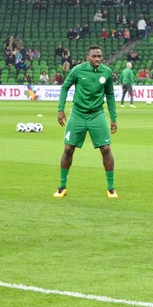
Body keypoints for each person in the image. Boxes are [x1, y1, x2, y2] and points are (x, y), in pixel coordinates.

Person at [55, 45, 118, 198]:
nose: (97, 59)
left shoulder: (107, 72)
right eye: (94, 56)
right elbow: (64, 88)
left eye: (99, 56)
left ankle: (111, 188)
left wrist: (113, 118)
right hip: (78, 114)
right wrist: (60, 109)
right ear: (88, 58)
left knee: (106, 150)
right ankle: (62, 186)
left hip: (97, 114)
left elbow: (110, 95)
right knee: (68, 149)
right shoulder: (78, 70)